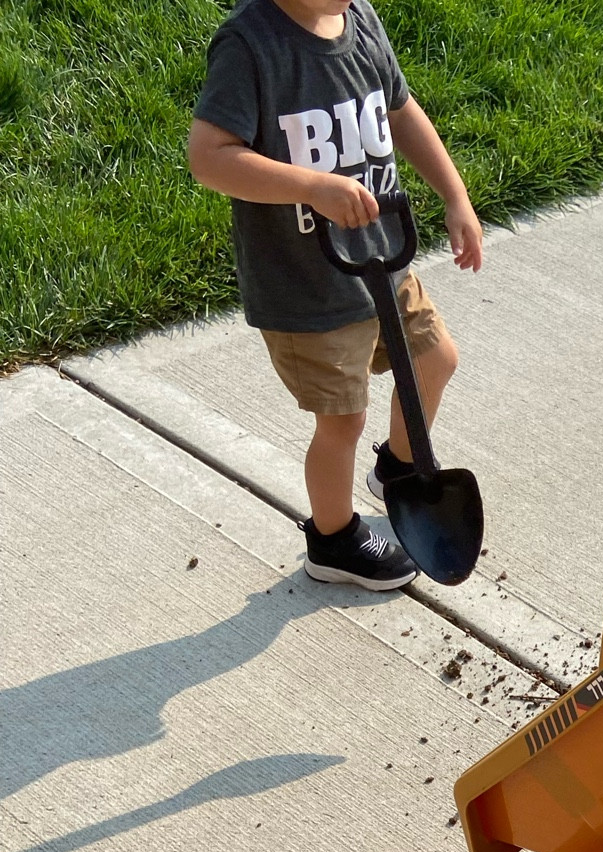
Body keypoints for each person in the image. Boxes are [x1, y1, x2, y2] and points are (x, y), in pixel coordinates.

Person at [187, 0, 483, 589]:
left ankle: (399, 469)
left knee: (435, 359)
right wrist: (311, 187)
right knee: (342, 421)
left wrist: (455, 195)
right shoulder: (251, 45)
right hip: (308, 288)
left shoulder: (360, 20)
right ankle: (333, 539)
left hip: (381, 261)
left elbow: (400, 110)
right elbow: (209, 158)